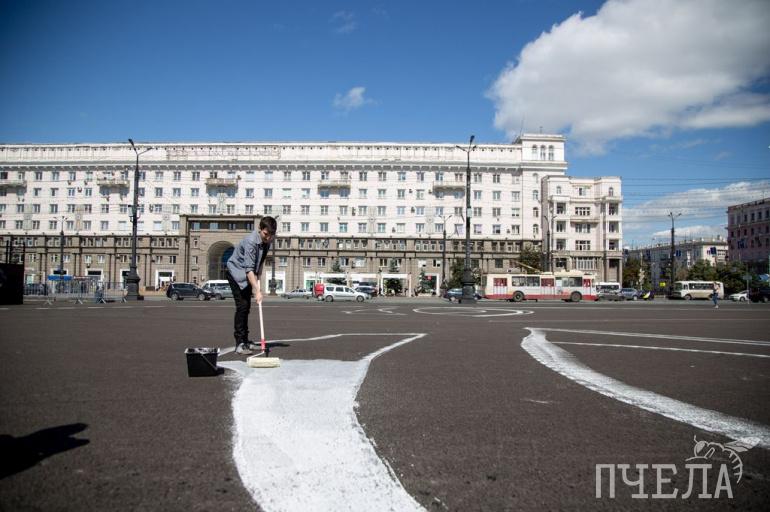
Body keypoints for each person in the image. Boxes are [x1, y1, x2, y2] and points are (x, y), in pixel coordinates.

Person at [226, 216, 277, 354]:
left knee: (246, 307)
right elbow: (249, 270)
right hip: (236, 273)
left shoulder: (267, 241)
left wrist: (258, 277)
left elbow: (259, 263)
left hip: (249, 274)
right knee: (242, 306)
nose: (268, 238)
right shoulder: (251, 242)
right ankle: (240, 344)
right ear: (260, 229)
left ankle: (246, 340)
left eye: (271, 235)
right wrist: (257, 290)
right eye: (266, 234)